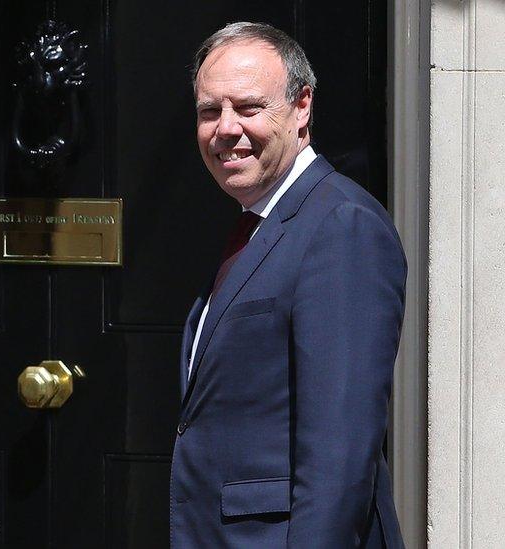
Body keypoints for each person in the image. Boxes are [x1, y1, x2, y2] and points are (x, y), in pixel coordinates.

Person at [169, 22, 406, 547]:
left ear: (302, 108)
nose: (225, 128)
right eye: (210, 111)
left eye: (248, 108)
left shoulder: (341, 225)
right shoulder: (258, 225)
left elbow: (340, 456)